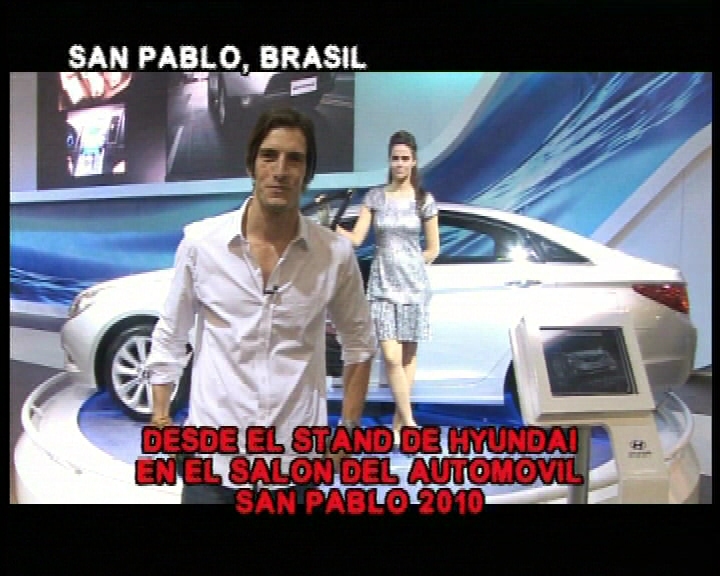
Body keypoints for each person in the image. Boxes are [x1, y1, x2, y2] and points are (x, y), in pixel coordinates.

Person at [145, 107, 377, 504]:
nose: (280, 170)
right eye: (269, 156)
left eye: (294, 159)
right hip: (213, 466)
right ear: (252, 164)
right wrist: (161, 417)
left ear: (307, 173)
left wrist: (348, 431)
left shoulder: (334, 254)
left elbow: (360, 345)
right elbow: (170, 335)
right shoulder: (202, 244)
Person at [336, 130, 440, 446]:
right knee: (391, 357)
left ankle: (398, 426)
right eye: (395, 158)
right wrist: (331, 228)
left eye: (405, 158)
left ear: (414, 161)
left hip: (413, 286)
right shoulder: (375, 197)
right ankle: (410, 422)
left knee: (408, 357)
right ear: (389, 161)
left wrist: (412, 263)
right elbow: (357, 239)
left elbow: (433, 248)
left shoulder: (424, 200)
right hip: (382, 286)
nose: (400, 164)